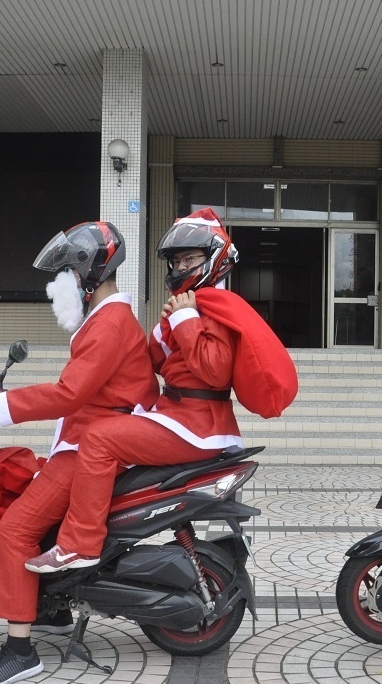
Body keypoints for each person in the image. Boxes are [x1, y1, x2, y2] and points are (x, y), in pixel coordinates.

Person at [0, 222, 159, 684]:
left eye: (69, 267)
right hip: (89, 441)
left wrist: (0, 404)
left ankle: (19, 651)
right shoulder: (107, 320)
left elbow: (71, 393)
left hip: (90, 448)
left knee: (15, 529)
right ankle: (51, 611)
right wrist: (2, 395)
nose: (64, 278)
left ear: (91, 270)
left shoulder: (109, 322)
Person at [25, 209, 245, 573]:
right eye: (177, 260)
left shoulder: (216, 309)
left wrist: (185, 320)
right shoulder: (189, 304)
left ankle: (80, 546)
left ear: (214, 258)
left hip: (198, 423)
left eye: (190, 258)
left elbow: (216, 370)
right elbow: (153, 362)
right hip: (176, 415)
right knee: (101, 438)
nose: (180, 266)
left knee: (98, 440)